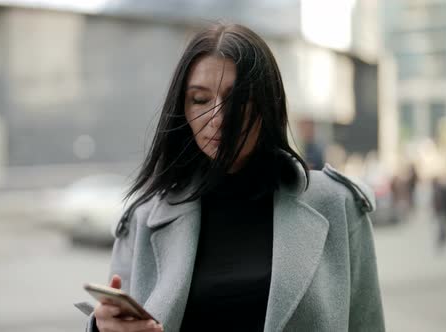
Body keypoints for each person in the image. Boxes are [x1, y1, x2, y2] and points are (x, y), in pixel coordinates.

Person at [80, 22, 384, 332]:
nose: (218, 118)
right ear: (181, 109)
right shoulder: (143, 219)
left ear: (268, 103)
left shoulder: (338, 205)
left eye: (236, 99)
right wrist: (103, 328)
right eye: (200, 99)